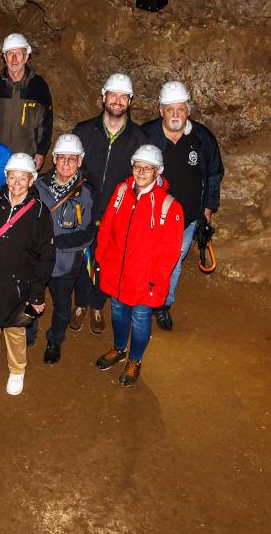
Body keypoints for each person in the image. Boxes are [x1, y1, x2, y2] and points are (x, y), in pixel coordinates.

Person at [94, 145, 183, 387]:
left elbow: (171, 251)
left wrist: (157, 280)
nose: (141, 172)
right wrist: (101, 257)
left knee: (141, 318)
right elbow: (107, 227)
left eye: (148, 168)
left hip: (145, 278)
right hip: (117, 271)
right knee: (118, 311)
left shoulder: (169, 206)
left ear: (158, 171)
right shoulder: (122, 191)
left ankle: (135, 359)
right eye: (137, 166)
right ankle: (119, 348)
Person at [0, 153, 55, 396]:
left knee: (16, 329)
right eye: (12, 177)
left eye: (22, 178)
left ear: (32, 180)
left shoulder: (40, 213)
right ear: (6, 177)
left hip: (21, 284)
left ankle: (17, 369)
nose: (17, 183)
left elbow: (46, 257)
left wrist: (37, 295)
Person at [142, 81, 224, 331]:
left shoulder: (201, 137)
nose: (175, 114)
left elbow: (214, 173)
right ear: (160, 111)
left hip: (186, 219)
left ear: (188, 109)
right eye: (169, 109)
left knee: (172, 264)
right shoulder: (146, 136)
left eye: (180, 109)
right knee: (146, 259)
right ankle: (143, 300)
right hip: (151, 215)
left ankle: (163, 304)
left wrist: (208, 208)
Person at [70, 73, 148, 336]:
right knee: (83, 256)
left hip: (118, 210)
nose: (117, 101)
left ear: (129, 101)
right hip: (85, 206)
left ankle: (96, 305)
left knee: (109, 260)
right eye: (112, 95)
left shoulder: (139, 138)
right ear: (103, 97)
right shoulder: (83, 131)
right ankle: (80, 303)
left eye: (123, 97)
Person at [31, 134, 96, 363]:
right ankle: (29, 331)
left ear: (80, 161)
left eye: (72, 159)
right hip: (38, 258)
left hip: (66, 261)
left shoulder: (87, 193)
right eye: (62, 158)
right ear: (54, 159)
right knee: (32, 295)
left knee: (62, 303)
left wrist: (58, 244)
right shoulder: (37, 186)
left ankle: (55, 340)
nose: (66, 164)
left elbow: (88, 233)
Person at [0, 33, 53, 169]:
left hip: (26, 158)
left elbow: (46, 124)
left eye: (18, 53)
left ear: (26, 56)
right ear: (4, 57)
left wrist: (41, 152)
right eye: (10, 53)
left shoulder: (39, 86)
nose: (14, 59)